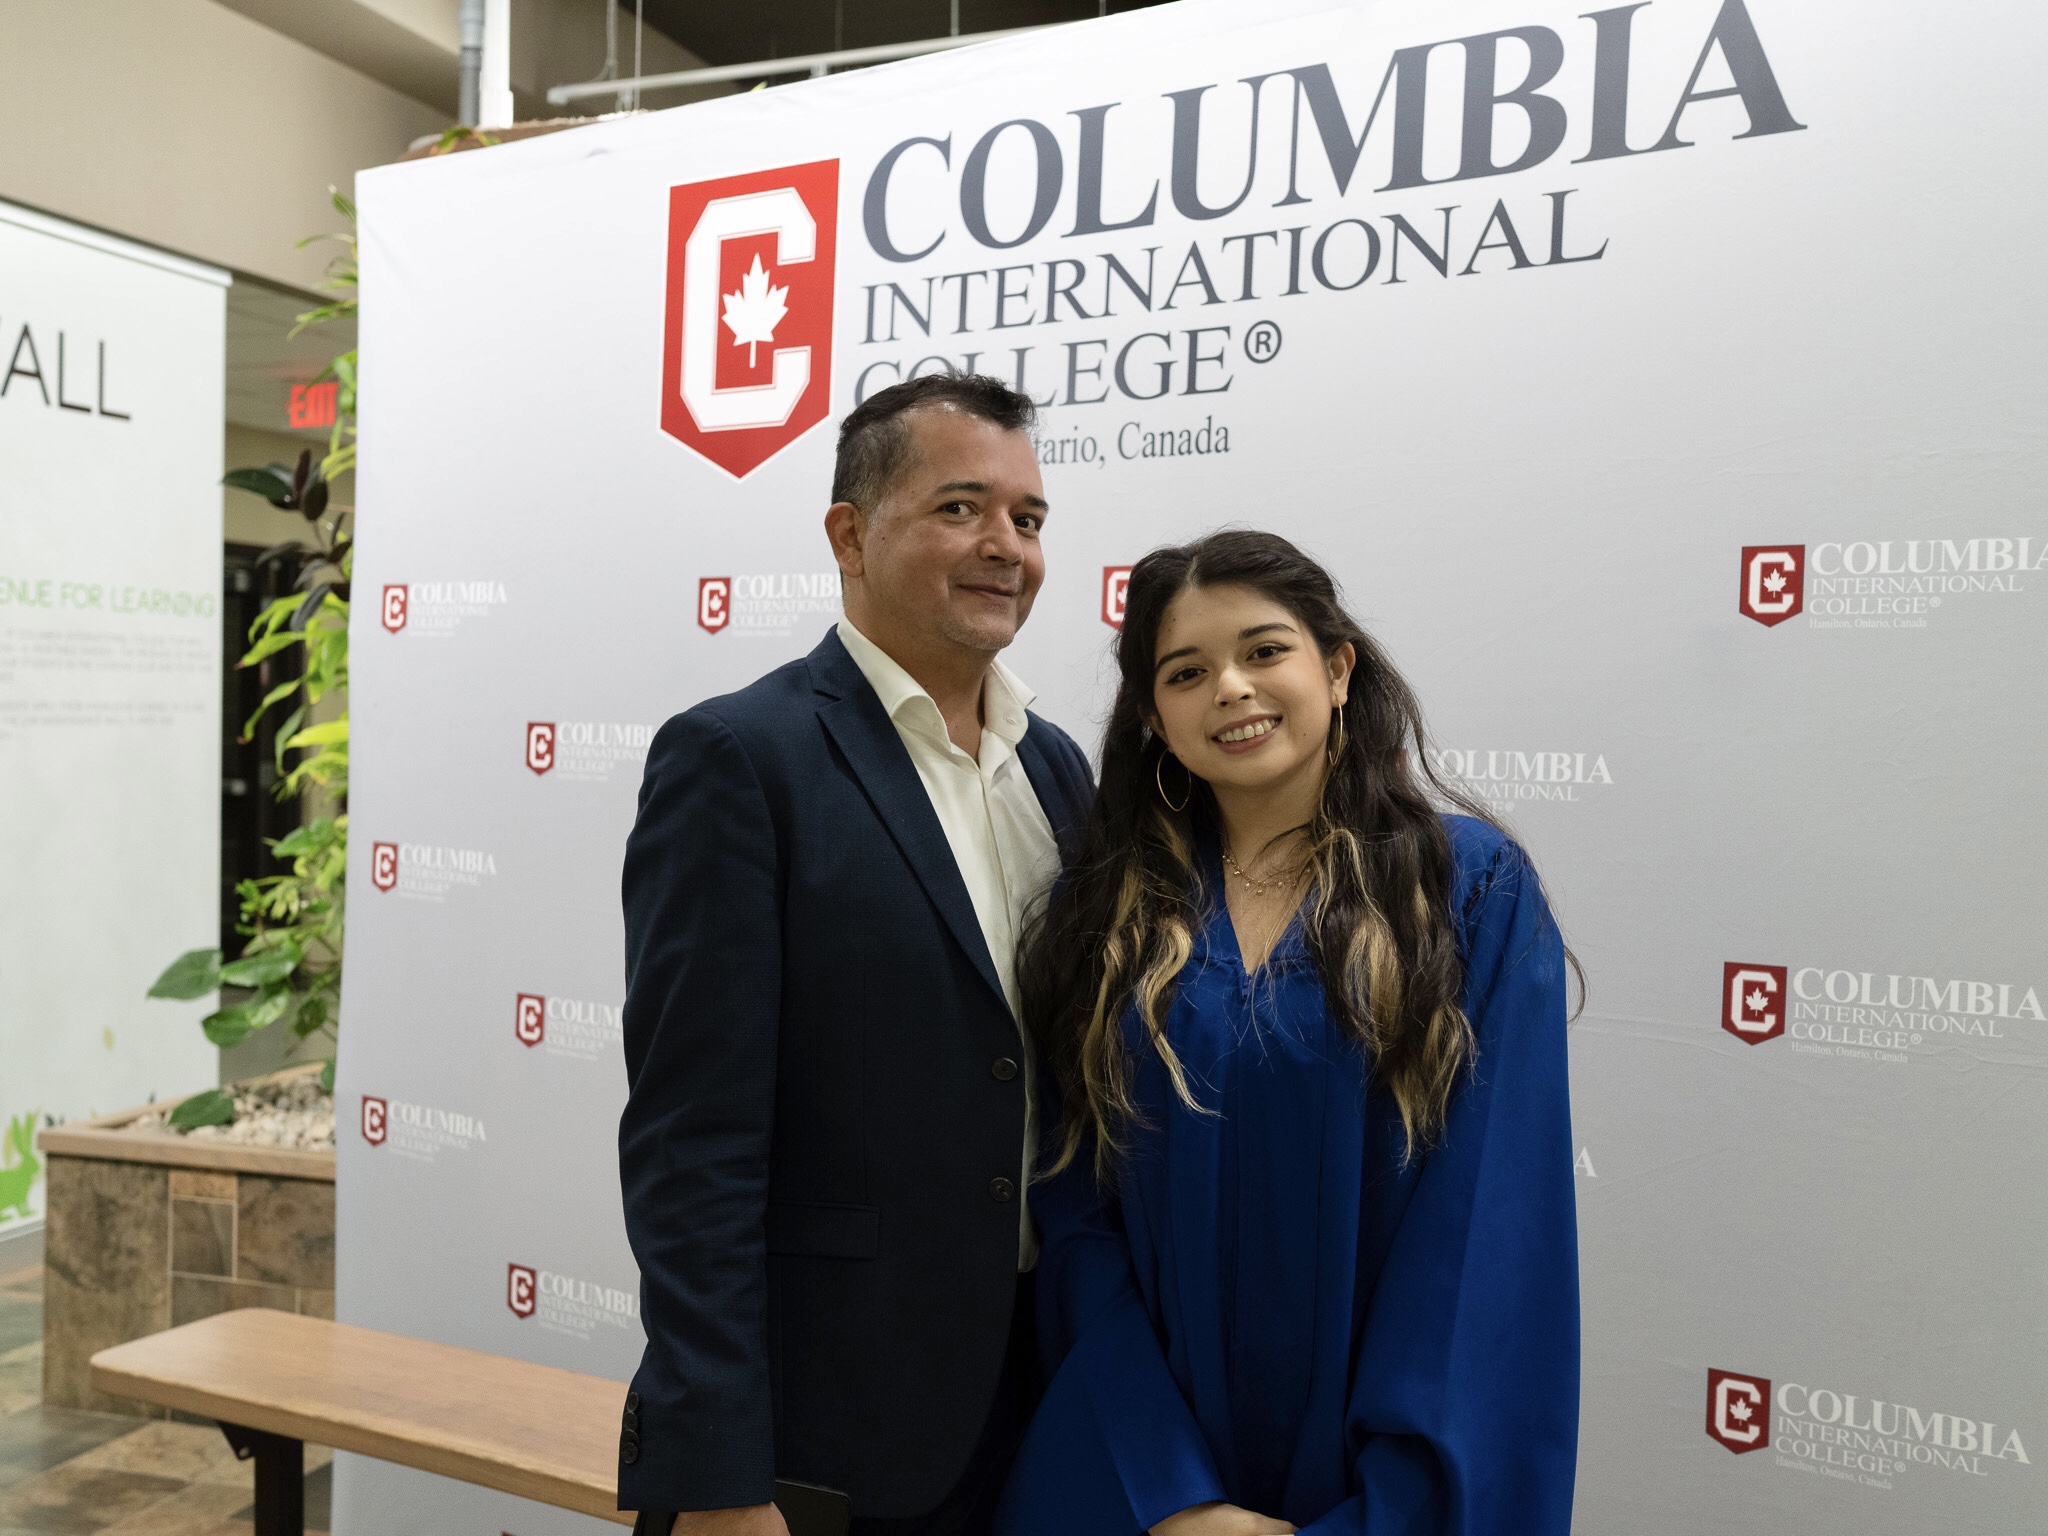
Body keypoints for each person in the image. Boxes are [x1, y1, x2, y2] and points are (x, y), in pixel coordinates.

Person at [998, 530, 1580, 1536]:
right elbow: (1077, 1215)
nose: (1231, 688)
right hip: (1141, 1487)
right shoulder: (1107, 920)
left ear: (1337, 669)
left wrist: (1385, 1513)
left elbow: (1487, 1238)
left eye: (1264, 651)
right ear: (1154, 717)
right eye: (1186, 672)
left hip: (1377, 1491)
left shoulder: (1466, 894)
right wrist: (1169, 1493)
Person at [618, 374, 1094, 1536]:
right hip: (826, 1428)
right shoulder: (740, 760)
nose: (1004, 546)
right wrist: (718, 1476)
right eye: (959, 509)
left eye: (1026, 518)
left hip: (1044, 1402)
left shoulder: (1056, 769)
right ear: (848, 535)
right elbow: (692, 1147)